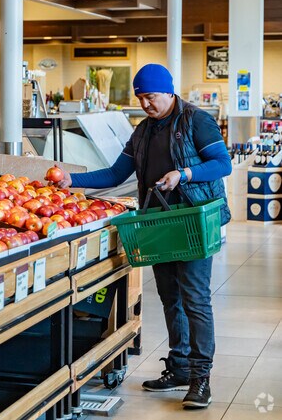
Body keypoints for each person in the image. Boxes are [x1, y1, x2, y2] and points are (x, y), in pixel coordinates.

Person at [57, 64, 232, 409]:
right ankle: (179, 367)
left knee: (195, 299)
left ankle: (201, 379)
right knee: (170, 298)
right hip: (158, 223)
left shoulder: (196, 121)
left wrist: (184, 174)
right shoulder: (142, 132)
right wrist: (70, 181)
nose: (146, 103)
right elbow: (115, 173)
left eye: (150, 96)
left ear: (168, 92)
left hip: (194, 221)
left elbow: (222, 164)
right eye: (141, 97)